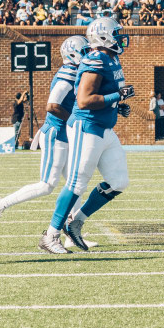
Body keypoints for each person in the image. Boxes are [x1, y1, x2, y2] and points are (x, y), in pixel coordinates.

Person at [40, 16, 132, 254]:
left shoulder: (110, 57)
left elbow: (107, 94)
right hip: (87, 127)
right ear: (103, 36)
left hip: (104, 128)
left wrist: (116, 104)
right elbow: (84, 100)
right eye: (116, 33)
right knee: (76, 182)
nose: (121, 37)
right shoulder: (95, 59)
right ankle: (50, 236)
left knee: (118, 181)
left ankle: (76, 222)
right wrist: (116, 97)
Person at [0, 36, 87, 231]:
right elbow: (52, 106)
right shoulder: (68, 72)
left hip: (64, 133)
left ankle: (72, 232)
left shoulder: (77, 72)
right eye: (84, 52)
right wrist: (74, 121)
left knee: (74, 185)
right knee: (46, 185)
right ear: (73, 54)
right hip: (56, 132)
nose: (88, 56)